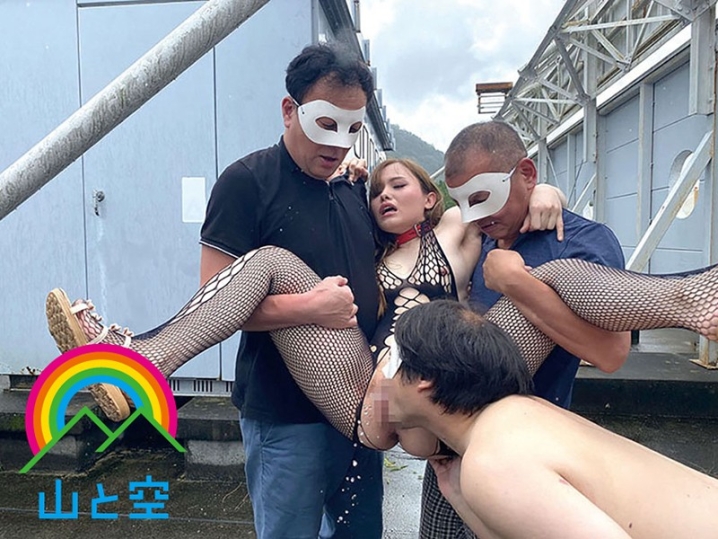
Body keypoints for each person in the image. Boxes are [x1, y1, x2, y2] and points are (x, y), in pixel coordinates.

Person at [47, 153, 718, 522]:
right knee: (271, 260)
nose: (384, 196)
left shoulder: (458, 233)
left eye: (400, 185)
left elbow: (503, 198)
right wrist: (349, 183)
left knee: (558, 274)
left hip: (460, 391)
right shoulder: (366, 243)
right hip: (372, 393)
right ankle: (137, 360)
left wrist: (549, 195)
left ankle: (697, 298)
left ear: (432, 197)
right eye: (377, 190)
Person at [419, 119, 632, 537]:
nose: (475, 215)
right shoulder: (484, 234)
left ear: (527, 174)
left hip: (526, 451)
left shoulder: (582, 242)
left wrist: (517, 284)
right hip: (451, 442)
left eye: (483, 197)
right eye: (463, 202)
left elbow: (611, 352)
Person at [383, 298, 718, 539]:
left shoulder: (494, 460)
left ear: (425, 378)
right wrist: (458, 496)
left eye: (392, 359)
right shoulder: (517, 417)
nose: (382, 376)